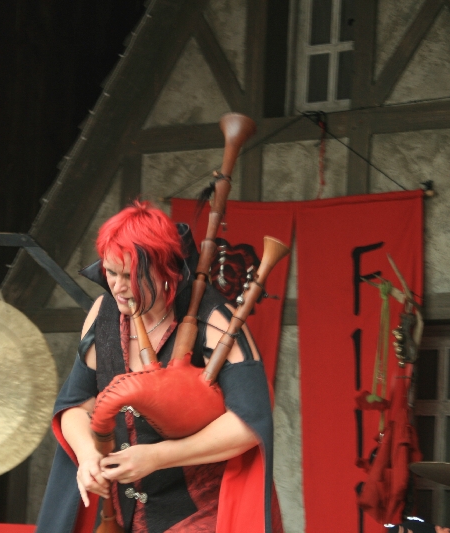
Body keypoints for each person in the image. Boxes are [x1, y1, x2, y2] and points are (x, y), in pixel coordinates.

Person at [36, 201, 280, 533]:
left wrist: (159, 456)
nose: (117, 287)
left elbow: (249, 423)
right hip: (123, 514)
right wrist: (87, 455)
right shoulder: (103, 313)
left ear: (165, 271)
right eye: (111, 273)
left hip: (204, 512)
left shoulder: (214, 318)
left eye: (130, 276)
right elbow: (76, 404)